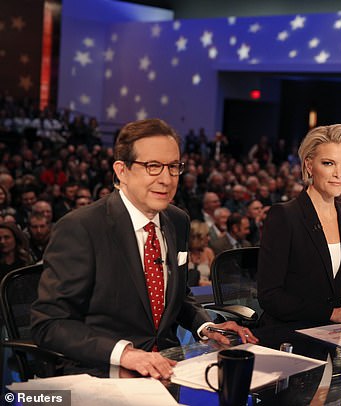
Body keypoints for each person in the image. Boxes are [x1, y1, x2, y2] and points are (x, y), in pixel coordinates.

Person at [31, 119, 257, 380]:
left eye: (173, 167)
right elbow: (49, 324)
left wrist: (205, 326)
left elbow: (176, 296)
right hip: (103, 373)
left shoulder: (177, 220)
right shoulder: (80, 228)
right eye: (153, 166)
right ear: (121, 171)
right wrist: (125, 353)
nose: (166, 179)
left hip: (170, 369)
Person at [257, 124, 341, 326]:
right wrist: (331, 313)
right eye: (328, 163)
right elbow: (270, 296)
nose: (339, 174)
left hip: (333, 332)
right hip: (289, 333)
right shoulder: (284, 215)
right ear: (309, 166)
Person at [188, 220, 215, 286]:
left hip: (206, 290)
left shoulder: (208, 252)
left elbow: (215, 277)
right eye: (207, 235)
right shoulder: (185, 253)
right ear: (196, 237)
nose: (209, 238)